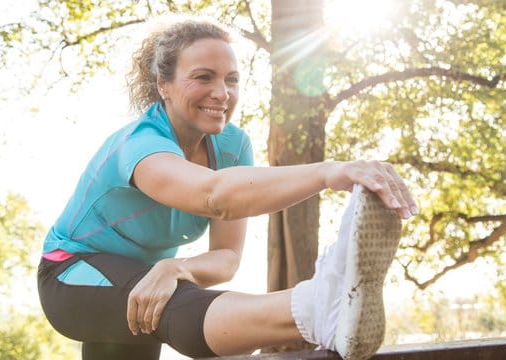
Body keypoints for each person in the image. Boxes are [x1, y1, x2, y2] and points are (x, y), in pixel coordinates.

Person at [37, 15, 417, 360]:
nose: (222, 93)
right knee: (177, 308)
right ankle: (315, 307)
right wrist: (328, 173)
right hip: (69, 273)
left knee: (168, 298)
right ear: (163, 86)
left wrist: (176, 266)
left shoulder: (233, 147)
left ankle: (321, 304)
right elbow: (214, 197)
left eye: (231, 80)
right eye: (203, 77)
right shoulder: (140, 143)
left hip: (145, 277)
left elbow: (226, 258)